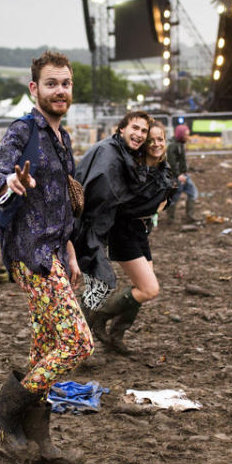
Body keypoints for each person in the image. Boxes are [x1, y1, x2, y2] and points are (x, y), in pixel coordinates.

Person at [0, 51, 90, 464]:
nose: (59, 90)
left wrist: (71, 252)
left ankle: (40, 440)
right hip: (30, 254)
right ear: (34, 89)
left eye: (65, 83)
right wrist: (12, 179)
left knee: (46, 347)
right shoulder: (22, 130)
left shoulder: (62, 139)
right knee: (78, 343)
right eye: (51, 83)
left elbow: (60, 202)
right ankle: (3, 413)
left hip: (54, 251)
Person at [73, 115, 175, 354]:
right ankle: (97, 317)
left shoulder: (160, 169)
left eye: (160, 139)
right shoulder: (131, 168)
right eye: (151, 140)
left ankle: (116, 335)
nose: (156, 144)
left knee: (143, 289)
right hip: (125, 231)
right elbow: (119, 202)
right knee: (149, 289)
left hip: (141, 232)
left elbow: (162, 198)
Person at [165, 123, 199, 223]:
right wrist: (178, 174)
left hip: (183, 175)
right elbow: (172, 162)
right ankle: (170, 219)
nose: (188, 137)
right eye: (186, 135)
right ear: (181, 135)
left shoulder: (179, 144)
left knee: (192, 192)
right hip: (178, 176)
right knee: (174, 197)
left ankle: (190, 216)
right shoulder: (172, 146)